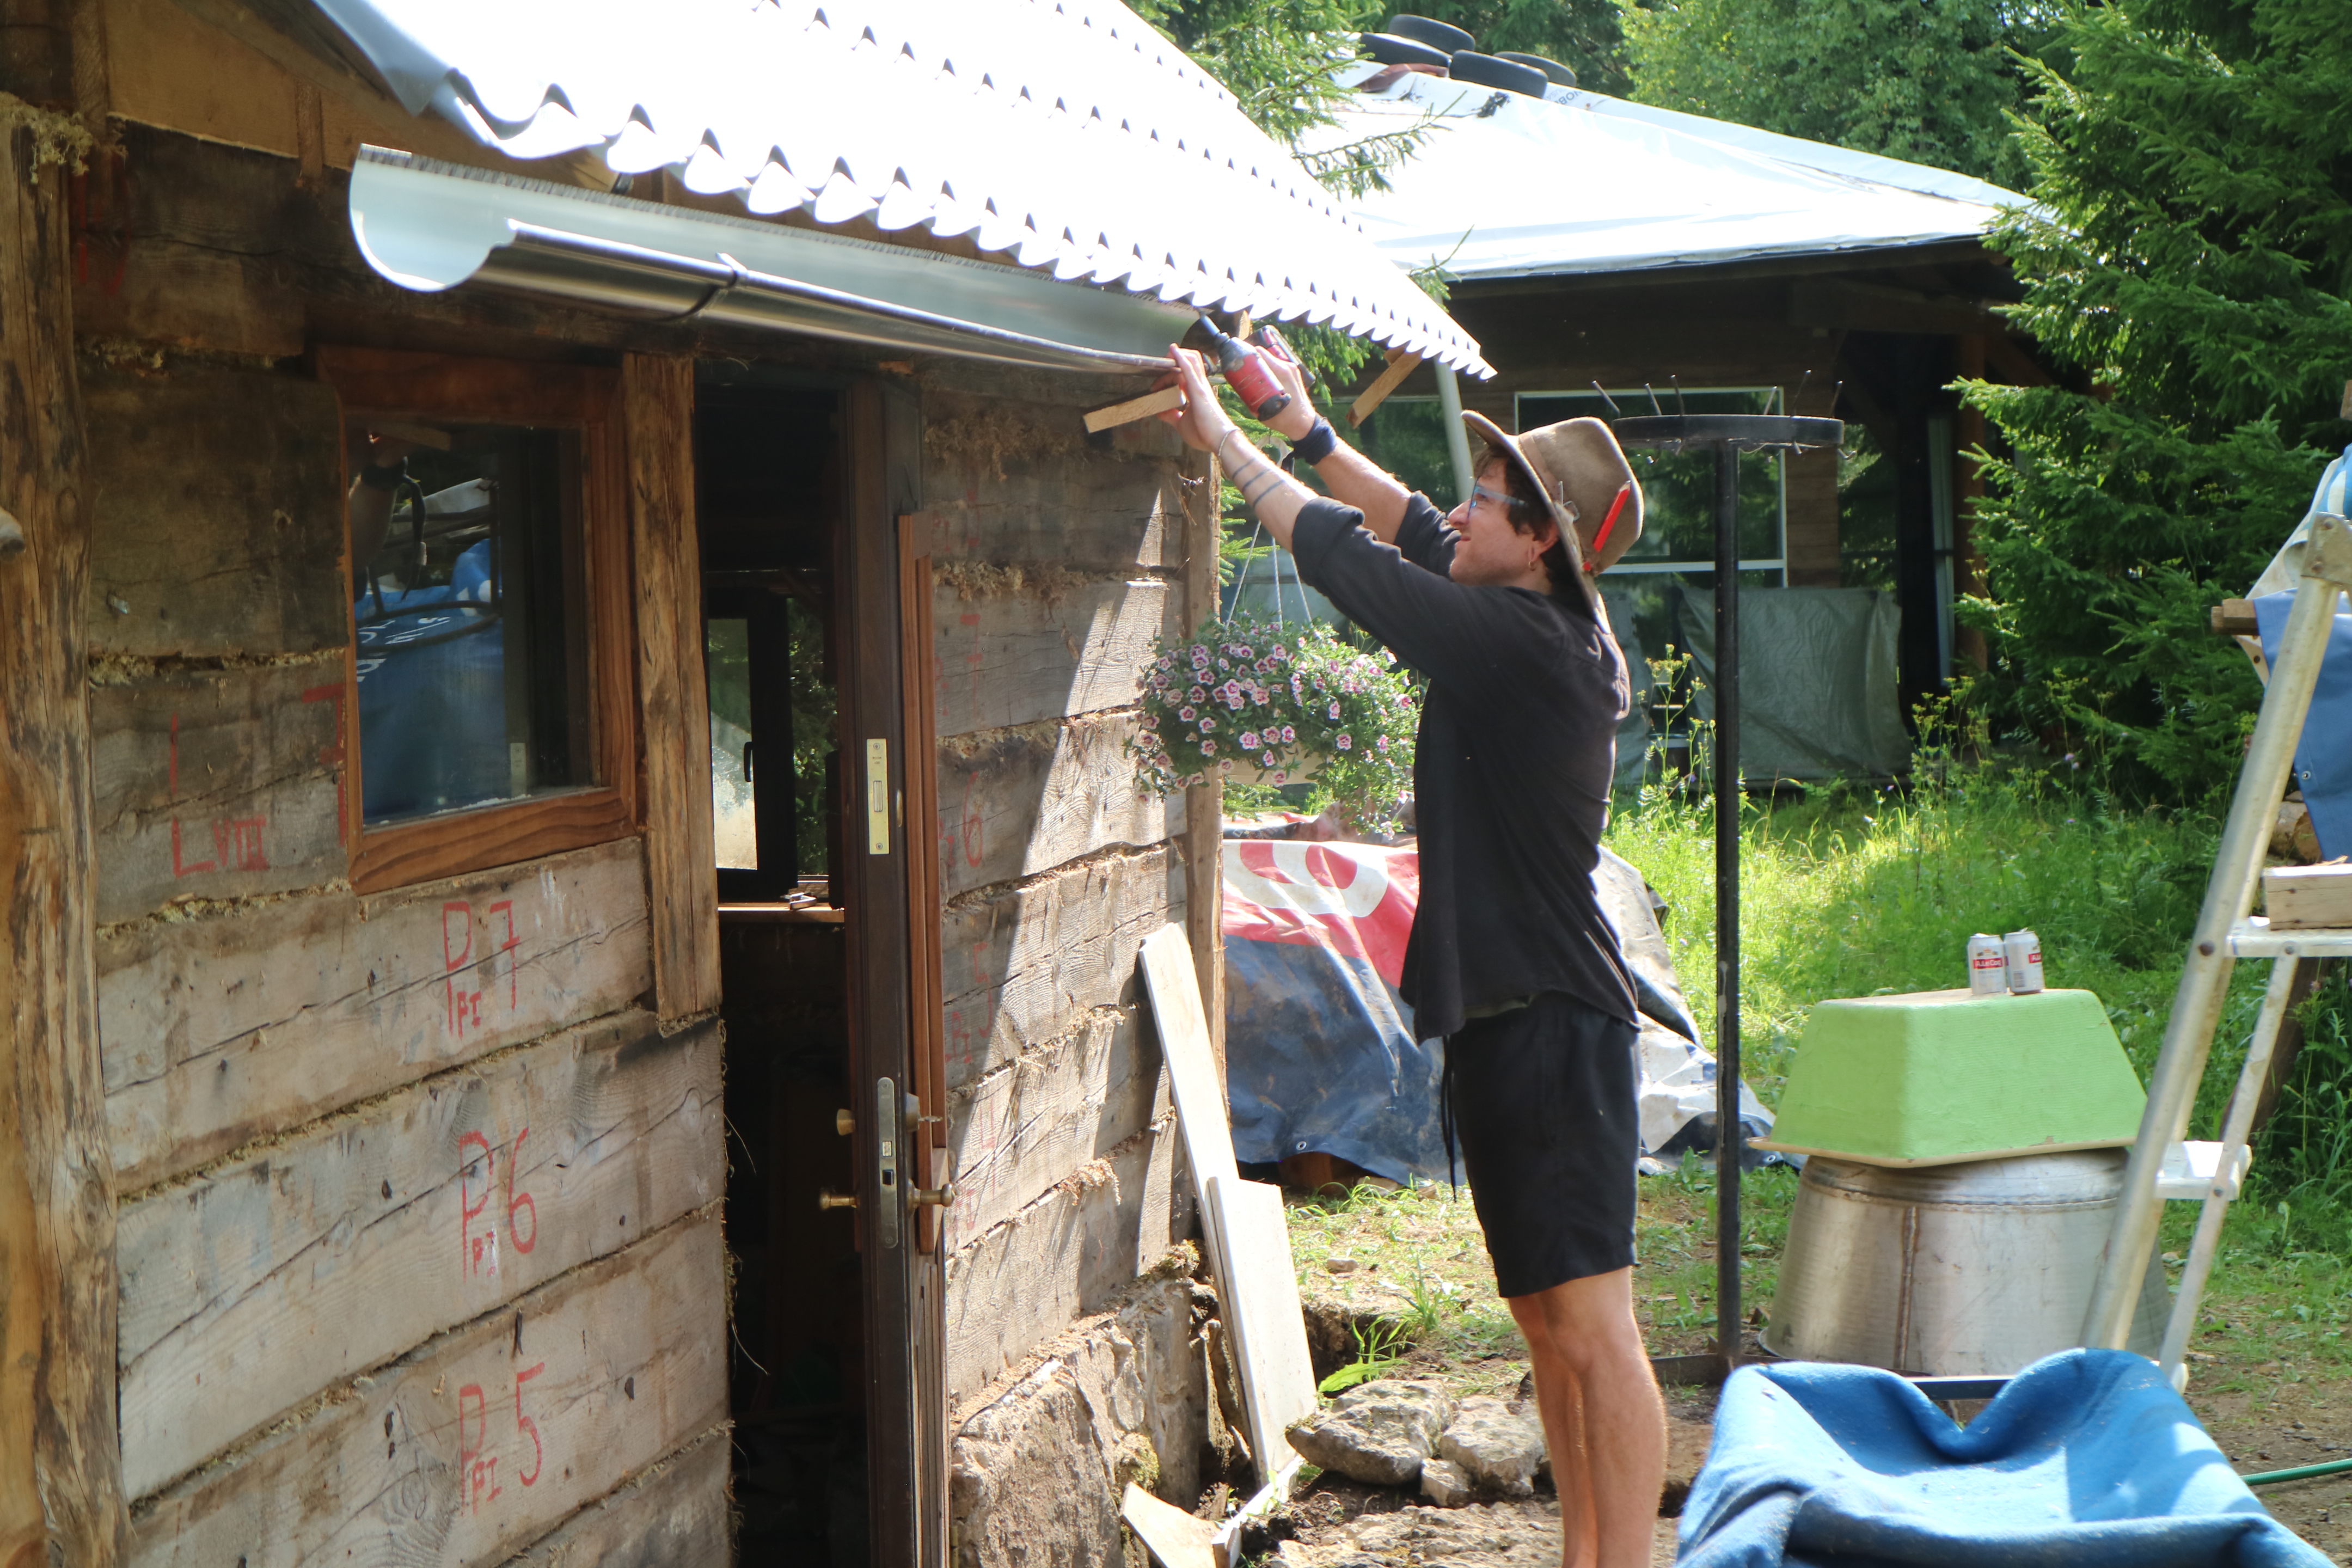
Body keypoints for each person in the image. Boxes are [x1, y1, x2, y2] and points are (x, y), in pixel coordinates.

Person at [1161, 340, 1664, 1568]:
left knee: (1597, 1330)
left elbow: (1355, 560)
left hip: (1555, 1023)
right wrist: (1306, 426)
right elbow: (1417, 529)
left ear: (1540, 541)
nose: (1463, 510)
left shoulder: (1528, 647)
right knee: (1543, 1322)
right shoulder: (1524, 607)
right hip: (1502, 1018)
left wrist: (1225, 445)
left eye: (1489, 498)